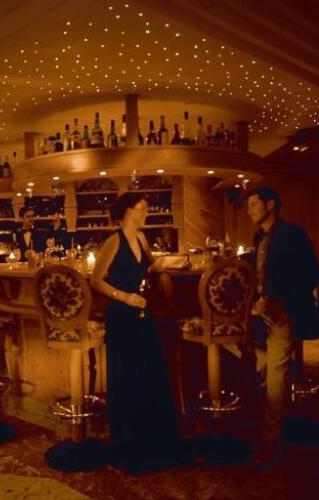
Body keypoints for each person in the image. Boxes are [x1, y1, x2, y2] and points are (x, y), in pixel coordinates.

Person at [90, 192, 184, 473]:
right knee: (127, 377)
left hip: (142, 312)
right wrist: (124, 297)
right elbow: (96, 281)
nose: (146, 213)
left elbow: (150, 267)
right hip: (121, 315)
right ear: (129, 212)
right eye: (142, 208)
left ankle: (151, 440)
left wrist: (163, 267)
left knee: (148, 373)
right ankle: (128, 444)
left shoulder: (141, 238)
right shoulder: (113, 241)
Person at [244, 186, 319, 466]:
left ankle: (269, 441)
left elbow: (311, 274)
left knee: (275, 376)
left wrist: (281, 301)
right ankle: (265, 425)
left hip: (283, 314)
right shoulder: (261, 237)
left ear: (271, 205)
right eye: (248, 206)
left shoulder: (291, 234)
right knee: (261, 371)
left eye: (254, 204)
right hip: (262, 316)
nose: (249, 210)